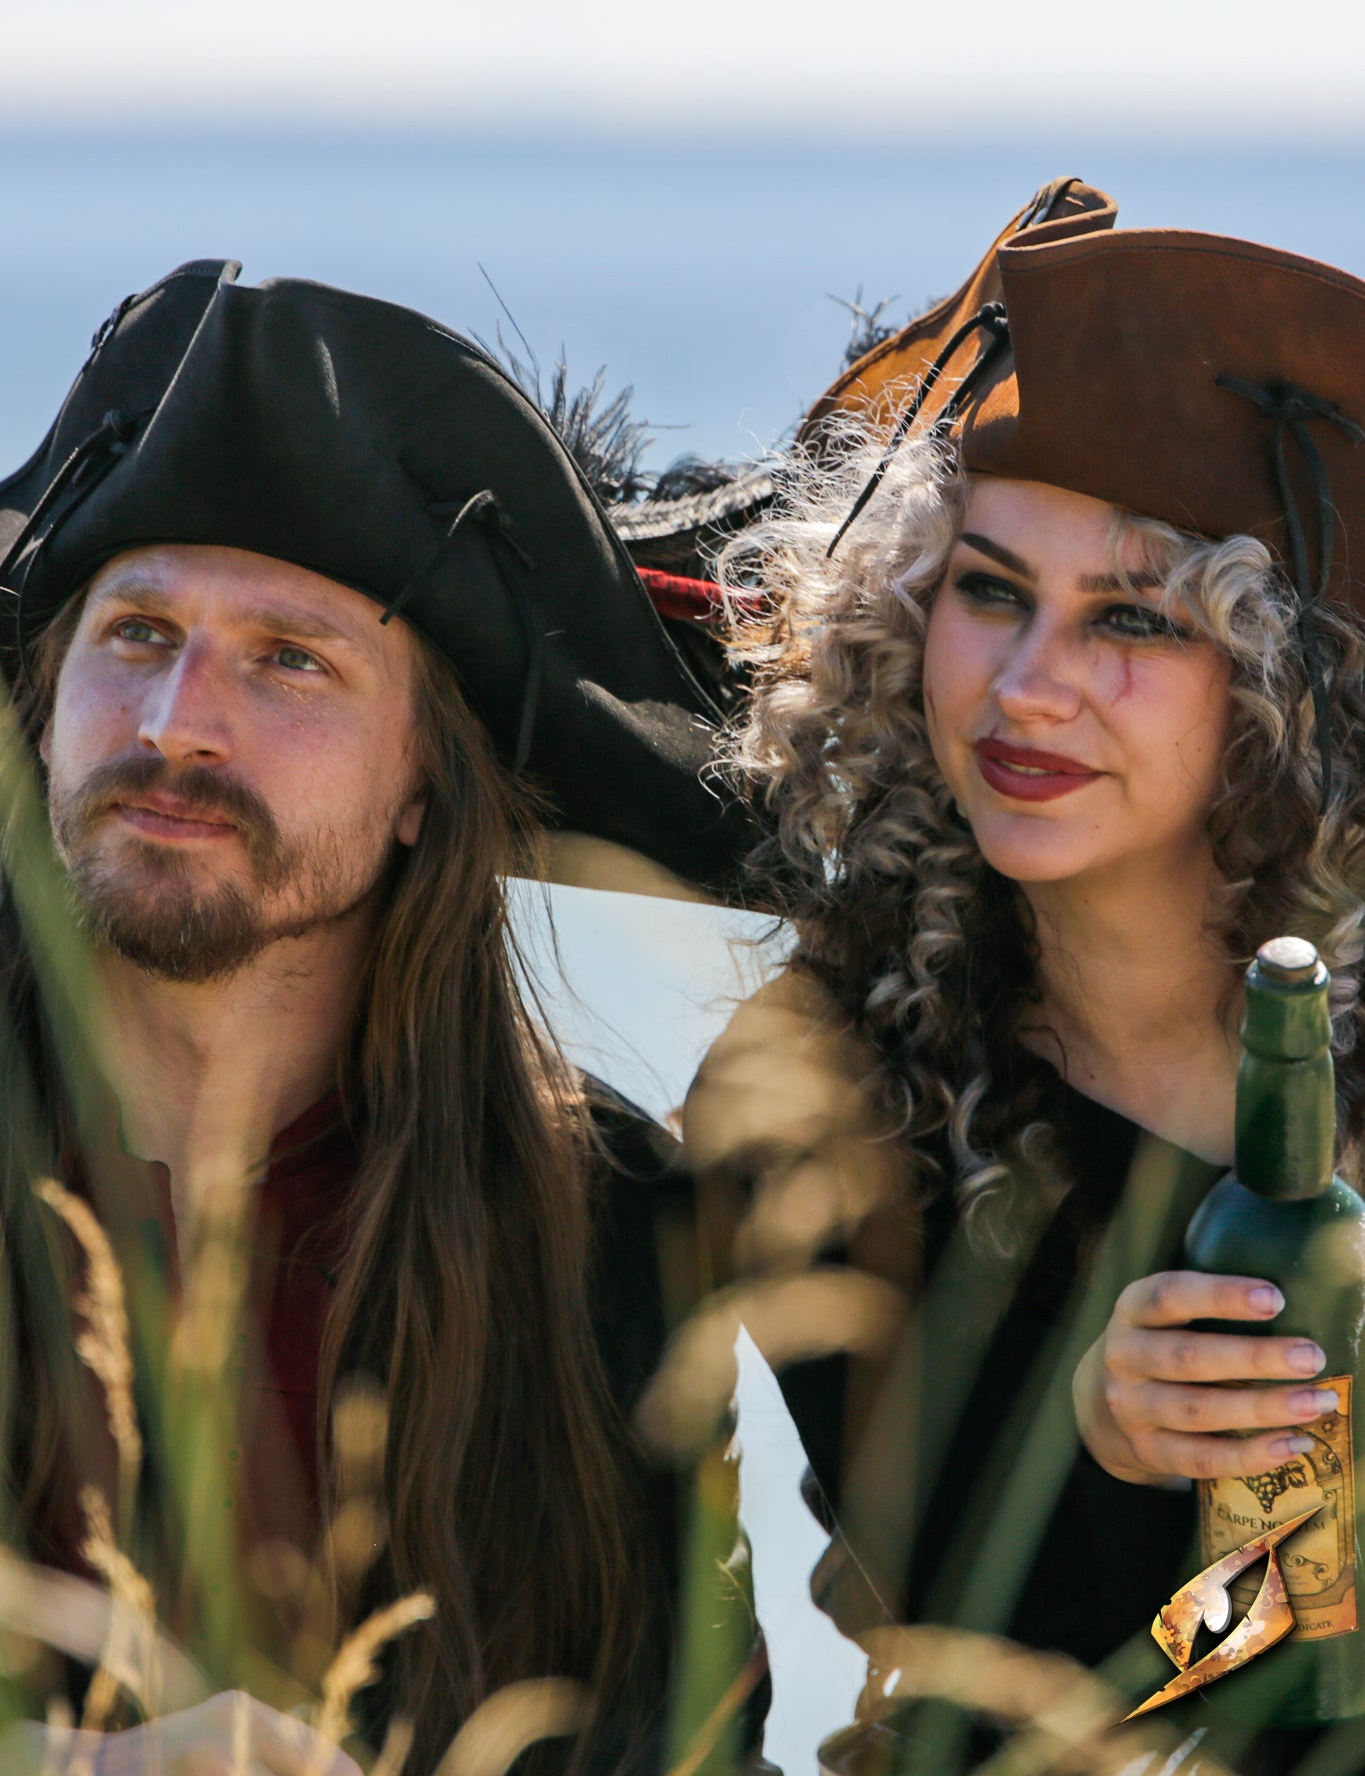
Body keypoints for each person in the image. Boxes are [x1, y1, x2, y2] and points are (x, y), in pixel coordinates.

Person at [0, 260, 765, 1773]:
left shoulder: (606, 1235)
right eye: (137, 634)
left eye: (291, 660)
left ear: (427, 784)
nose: (173, 725)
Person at [684, 180, 1365, 1770]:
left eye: (1128, 618)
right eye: (987, 592)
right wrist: (1103, 1446)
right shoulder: (825, 1081)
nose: (1025, 686)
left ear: (1282, 688)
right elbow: (967, 1642)